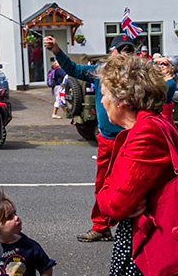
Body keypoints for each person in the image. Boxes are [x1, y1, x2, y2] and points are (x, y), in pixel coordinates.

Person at [90, 51, 178, 276]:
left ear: (121, 101)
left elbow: (114, 205)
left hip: (154, 239)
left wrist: (106, 189)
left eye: (104, 94)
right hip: (164, 233)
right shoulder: (152, 123)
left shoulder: (145, 133)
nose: (102, 101)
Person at [48, 34, 121, 243]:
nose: (125, 54)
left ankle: (135, 227)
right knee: (103, 183)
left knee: (133, 184)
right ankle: (101, 226)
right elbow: (72, 69)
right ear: (113, 52)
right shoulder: (100, 72)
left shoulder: (134, 74)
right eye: (121, 49)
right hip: (107, 138)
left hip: (131, 137)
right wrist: (56, 50)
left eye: (129, 50)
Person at [0, 197, 56, 276]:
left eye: (15, 213)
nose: (16, 217)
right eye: (9, 217)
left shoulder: (28, 246)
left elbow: (46, 266)